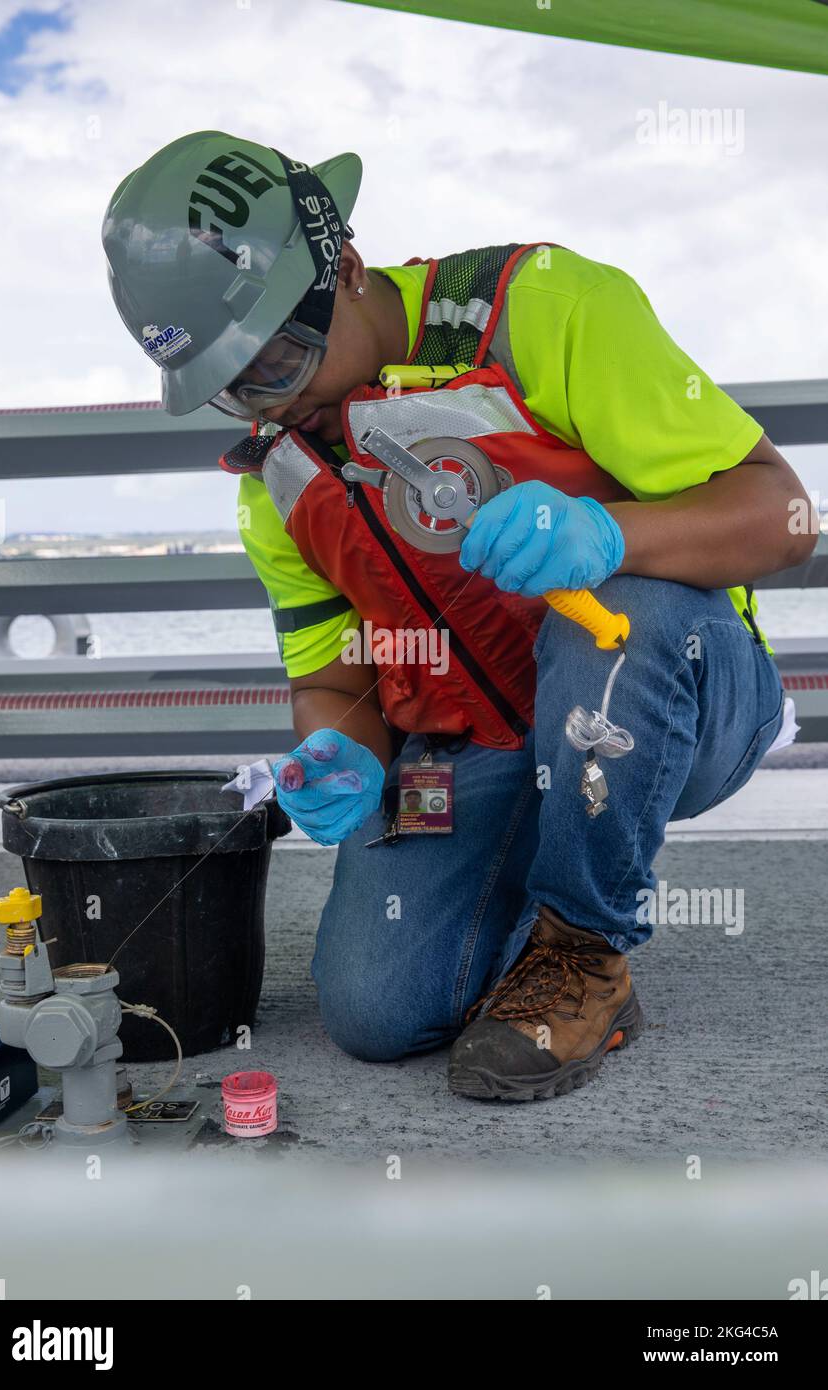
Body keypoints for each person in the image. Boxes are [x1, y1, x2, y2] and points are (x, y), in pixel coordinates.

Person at [102, 132, 814, 1101]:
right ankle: (548, 891)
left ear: (344, 268)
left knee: (617, 617)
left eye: (278, 357)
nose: (272, 401)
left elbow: (783, 514)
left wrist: (606, 534)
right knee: (373, 1010)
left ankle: (581, 950)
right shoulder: (277, 481)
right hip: (480, 745)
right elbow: (333, 679)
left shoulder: (546, 310)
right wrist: (337, 752)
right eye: (232, 384)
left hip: (671, 696)